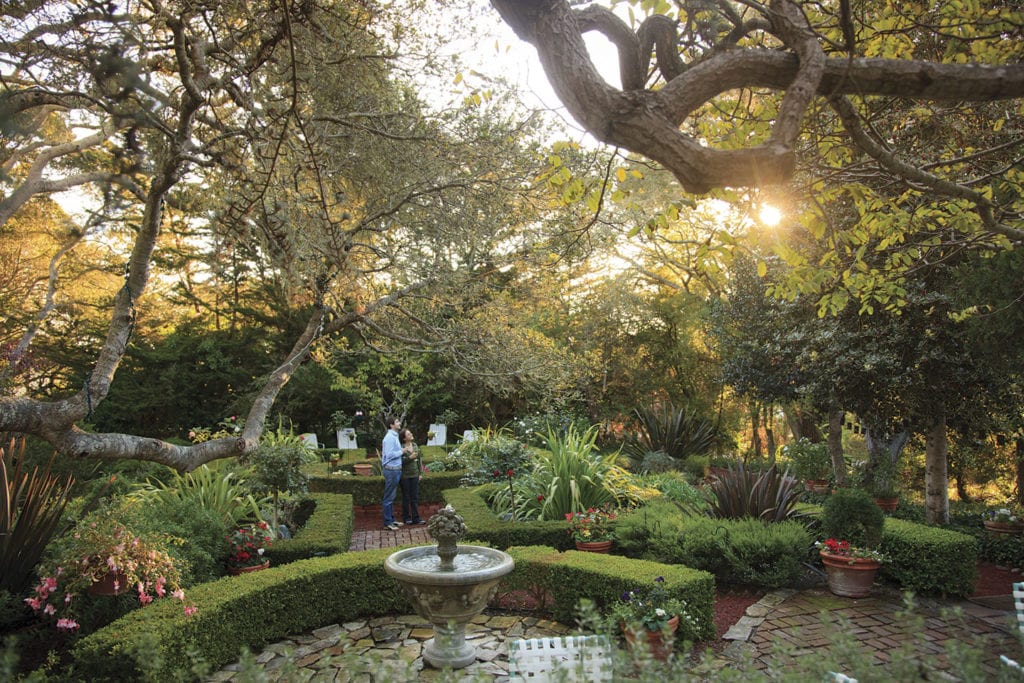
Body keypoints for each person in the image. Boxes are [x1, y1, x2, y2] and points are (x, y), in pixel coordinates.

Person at [380, 416, 404, 530]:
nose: (399, 423)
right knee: (388, 497)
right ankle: (387, 522)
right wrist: (402, 451)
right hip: (391, 470)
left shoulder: (394, 436)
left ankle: (391, 520)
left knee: (392, 496)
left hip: (396, 470)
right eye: (397, 422)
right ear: (391, 425)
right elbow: (389, 455)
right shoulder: (389, 437)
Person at [399, 428, 425, 525]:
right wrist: (409, 458)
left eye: (410, 433)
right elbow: (399, 462)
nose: (411, 435)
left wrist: (420, 473)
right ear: (404, 438)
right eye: (409, 434)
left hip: (414, 475)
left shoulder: (415, 445)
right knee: (406, 497)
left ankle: (416, 518)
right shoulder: (401, 447)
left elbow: (419, 460)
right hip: (405, 476)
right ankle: (406, 517)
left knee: (414, 497)